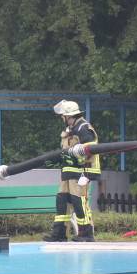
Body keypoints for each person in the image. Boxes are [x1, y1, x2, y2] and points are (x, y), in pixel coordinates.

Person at [44, 100, 99, 242]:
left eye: (63, 116)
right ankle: (59, 234)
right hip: (68, 173)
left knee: (79, 202)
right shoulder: (69, 130)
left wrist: (77, 159)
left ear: (68, 116)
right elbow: (66, 152)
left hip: (82, 173)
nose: (62, 118)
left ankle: (86, 234)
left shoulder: (84, 128)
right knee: (62, 202)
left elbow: (90, 151)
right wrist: (56, 159)